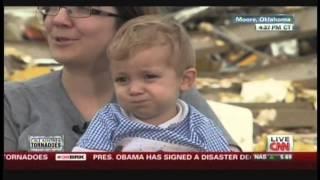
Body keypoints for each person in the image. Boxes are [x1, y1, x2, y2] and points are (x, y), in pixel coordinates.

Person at [4, 6, 240, 152]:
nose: (58, 20)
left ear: (127, 22)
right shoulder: (13, 102)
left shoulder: (174, 98)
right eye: (50, 6)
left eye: (83, 7)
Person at [73, 15, 231, 152]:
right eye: (122, 79)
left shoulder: (198, 126)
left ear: (185, 80)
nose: (134, 89)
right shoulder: (110, 120)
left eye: (149, 76)